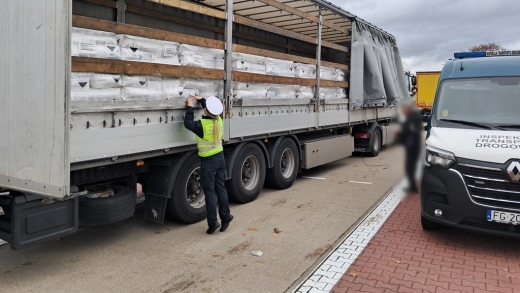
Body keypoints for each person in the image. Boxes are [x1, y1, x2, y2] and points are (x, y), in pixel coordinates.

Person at [184, 95, 233, 234]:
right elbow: (213, 110)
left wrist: (190, 107)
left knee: (210, 192)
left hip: (208, 162)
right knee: (221, 189)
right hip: (220, 159)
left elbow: (187, 123)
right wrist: (202, 100)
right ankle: (226, 216)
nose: (204, 108)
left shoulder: (202, 126)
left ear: (205, 111)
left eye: (205, 108)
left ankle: (213, 223)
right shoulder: (219, 119)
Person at [399, 100, 424, 194]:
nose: (402, 111)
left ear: (407, 108)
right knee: (410, 167)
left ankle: (413, 188)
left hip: (413, 146)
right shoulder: (412, 116)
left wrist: (400, 133)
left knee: (410, 167)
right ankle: (412, 187)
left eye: (403, 110)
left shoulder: (412, 117)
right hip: (413, 145)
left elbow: (410, 131)